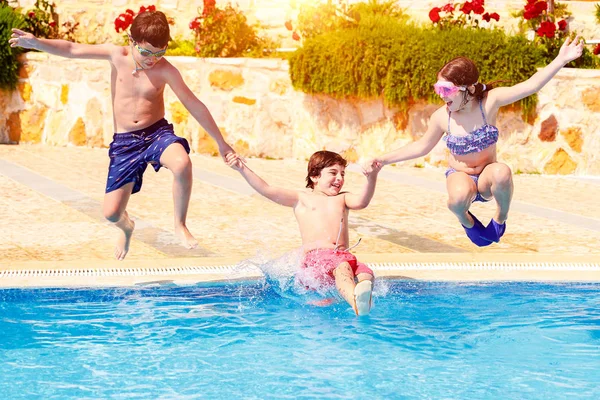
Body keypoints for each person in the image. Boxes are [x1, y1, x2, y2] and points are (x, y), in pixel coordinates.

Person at [9, 11, 235, 260]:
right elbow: (72, 48)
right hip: (126, 143)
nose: (153, 59)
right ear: (132, 41)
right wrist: (37, 43)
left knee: (182, 163)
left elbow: (194, 104)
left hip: (156, 133)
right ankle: (126, 228)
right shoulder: (117, 56)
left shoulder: (166, 70)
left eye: (160, 52)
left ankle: (179, 224)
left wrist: (221, 143)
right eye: (148, 52)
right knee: (112, 213)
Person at [363, 36, 584, 246]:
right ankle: (467, 221)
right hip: (460, 177)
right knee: (456, 200)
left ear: (468, 88)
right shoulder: (442, 117)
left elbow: (530, 86)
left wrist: (561, 59)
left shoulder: (489, 102)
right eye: (438, 88)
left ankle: (500, 218)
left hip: (487, 176)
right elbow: (421, 146)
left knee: (503, 172)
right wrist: (382, 159)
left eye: (447, 89)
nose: (441, 95)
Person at [227, 150, 381, 315]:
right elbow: (267, 189)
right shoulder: (302, 199)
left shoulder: (343, 198)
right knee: (342, 269)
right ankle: (356, 301)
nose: (340, 178)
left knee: (366, 273)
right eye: (333, 173)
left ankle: (361, 294)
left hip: (343, 257)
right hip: (318, 260)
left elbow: (362, 201)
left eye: (343, 174)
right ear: (315, 176)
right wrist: (241, 168)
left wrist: (372, 177)